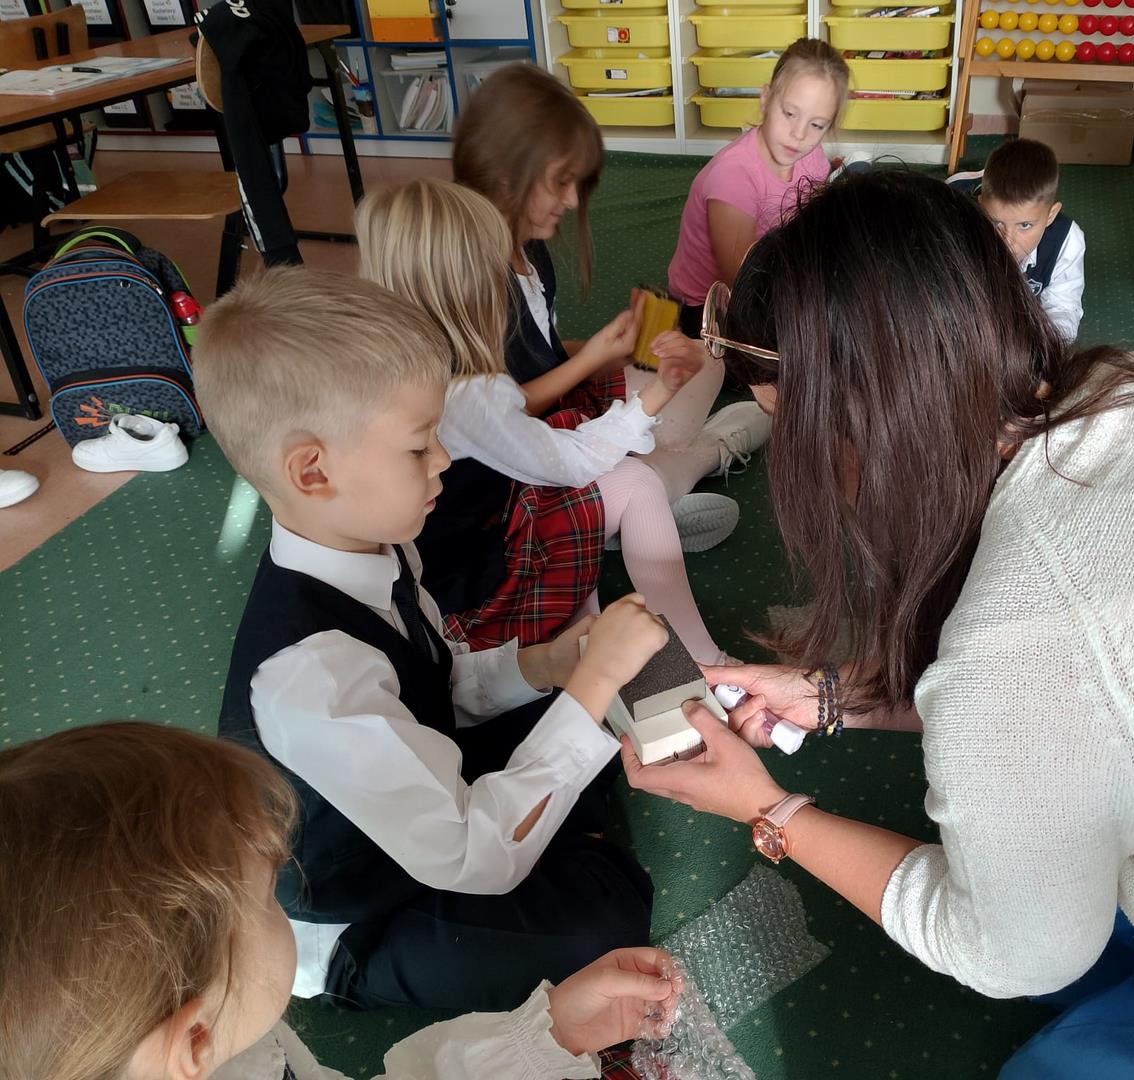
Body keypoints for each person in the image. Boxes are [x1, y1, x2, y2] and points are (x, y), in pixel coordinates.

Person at [622, 169, 1134, 1076]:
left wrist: (768, 810)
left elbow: (1016, 956)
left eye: (793, 432)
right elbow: (1116, 683)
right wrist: (842, 697)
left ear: (869, 430)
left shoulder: (1021, 636)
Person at [193, 267, 665, 1012]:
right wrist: (592, 683)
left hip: (416, 799)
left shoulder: (377, 542)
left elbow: (435, 677)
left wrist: (552, 663)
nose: (444, 460)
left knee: (585, 725)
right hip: (358, 912)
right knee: (607, 917)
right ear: (313, 471)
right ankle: (381, 962)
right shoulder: (310, 678)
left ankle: (553, 829)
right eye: (419, 448)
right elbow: (468, 853)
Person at [0, 721, 681, 1080]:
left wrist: (550, 1033)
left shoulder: (210, 1032)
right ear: (193, 1038)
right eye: (267, 896)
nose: (284, 879)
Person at [356, 177, 733, 665]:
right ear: (471, 290)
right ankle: (705, 661)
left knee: (618, 510)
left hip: (463, 548)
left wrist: (600, 354)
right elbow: (571, 461)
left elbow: (517, 411)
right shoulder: (467, 395)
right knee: (634, 485)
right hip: (486, 577)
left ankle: (656, 619)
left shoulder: (404, 367)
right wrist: (660, 390)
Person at [451, 64, 769, 516]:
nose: (572, 201)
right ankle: (703, 458)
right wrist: (593, 359)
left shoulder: (528, 247)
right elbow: (500, 412)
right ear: (506, 172)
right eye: (561, 182)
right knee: (635, 480)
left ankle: (652, 487)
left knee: (705, 360)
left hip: (566, 419)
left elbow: (536, 354)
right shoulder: (467, 277)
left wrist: (617, 350)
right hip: (525, 464)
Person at [666, 38, 849, 337]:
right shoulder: (733, 177)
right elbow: (742, 286)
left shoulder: (812, 157)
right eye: (789, 113)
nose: (799, 134)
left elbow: (811, 231)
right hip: (707, 308)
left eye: (817, 125)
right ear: (765, 99)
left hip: (772, 269)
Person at [953, 137, 1085, 343]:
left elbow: (1063, 309)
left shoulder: (1067, 240)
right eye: (996, 223)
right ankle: (971, 180)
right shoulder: (957, 228)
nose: (1008, 242)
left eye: (1025, 225)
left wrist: (1047, 347)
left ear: (1050, 215)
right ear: (981, 206)